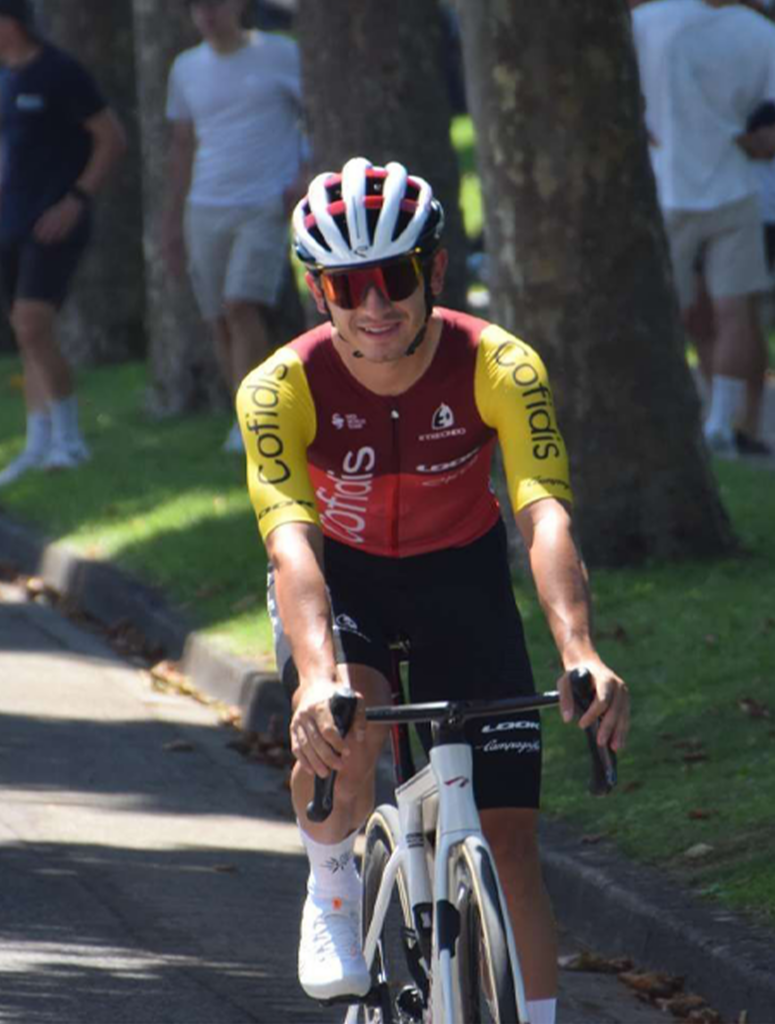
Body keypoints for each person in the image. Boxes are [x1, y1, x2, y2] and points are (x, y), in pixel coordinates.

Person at [237, 158, 631, 1024]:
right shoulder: (278, 388)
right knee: (354, 720)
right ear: (317, 292)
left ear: (436, 271)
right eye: (348, 286)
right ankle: (334, 887)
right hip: (341, 581)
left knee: (513, 844)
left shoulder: (501, 364)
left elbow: (543, 514)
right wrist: (314, 677)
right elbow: (290, 544)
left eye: (396, 277)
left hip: (462, 577)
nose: (375, 305)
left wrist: (580, 651)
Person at [632, 0, 775, 457]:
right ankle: (721, 424)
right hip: (734, 186)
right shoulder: (756, 30)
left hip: (667, 188)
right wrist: (774, 140)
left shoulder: (646, 21)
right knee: (736, 311)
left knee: (666, 313)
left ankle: (674, 420)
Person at [162, 0, 310, 454]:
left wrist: (303, 175)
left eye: (215, 5)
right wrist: (171, 218)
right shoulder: (185, 68)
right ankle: (244, 414)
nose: (206, 15)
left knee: (240, 304)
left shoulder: (282, 53)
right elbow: (183, 144)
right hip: (204, 206)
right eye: (196, 8)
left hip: (263, 203)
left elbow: (316, 117)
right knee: (218, 320)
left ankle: (258, 419)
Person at [0, 0, 126, 488]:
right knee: (23, 328)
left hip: (53, 221)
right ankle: (38, 442)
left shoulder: (60, 71)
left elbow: (111, 139)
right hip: (10, 223)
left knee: (32, 323)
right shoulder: (5, 77)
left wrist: (77, 198)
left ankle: (71, 439)